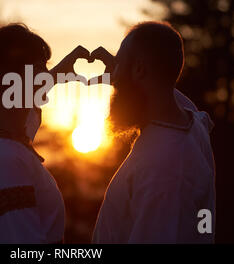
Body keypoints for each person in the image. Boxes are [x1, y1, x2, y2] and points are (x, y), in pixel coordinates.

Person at [91, 21, 216, 243]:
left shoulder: (163, 169)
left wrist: (125, 75)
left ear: (140, 70)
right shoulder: (192, 126)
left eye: (119, 65)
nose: (114, 78)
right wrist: (122, 71)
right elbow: (163, 88)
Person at [0, 23, 89, 243]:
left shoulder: (0, 132)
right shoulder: (2, 158)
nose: (45, 79)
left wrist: (57, 74)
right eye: (38, 71)